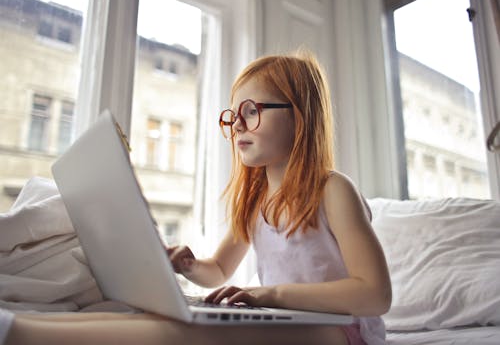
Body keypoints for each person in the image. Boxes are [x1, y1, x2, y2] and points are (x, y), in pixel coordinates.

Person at [1, 51, 391, 345]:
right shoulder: (256, 201)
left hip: (346, 329)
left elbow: (374, 294)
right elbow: (219, 270)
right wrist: (187, 265)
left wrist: (266, 294)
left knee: (186, 333)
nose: (237, 123)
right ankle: (15, 322)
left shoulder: (333, 190)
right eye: (233, 114)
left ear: (300, 115)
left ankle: (17, 334)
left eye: (252, 111)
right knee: (167, 317)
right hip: (286, 316)